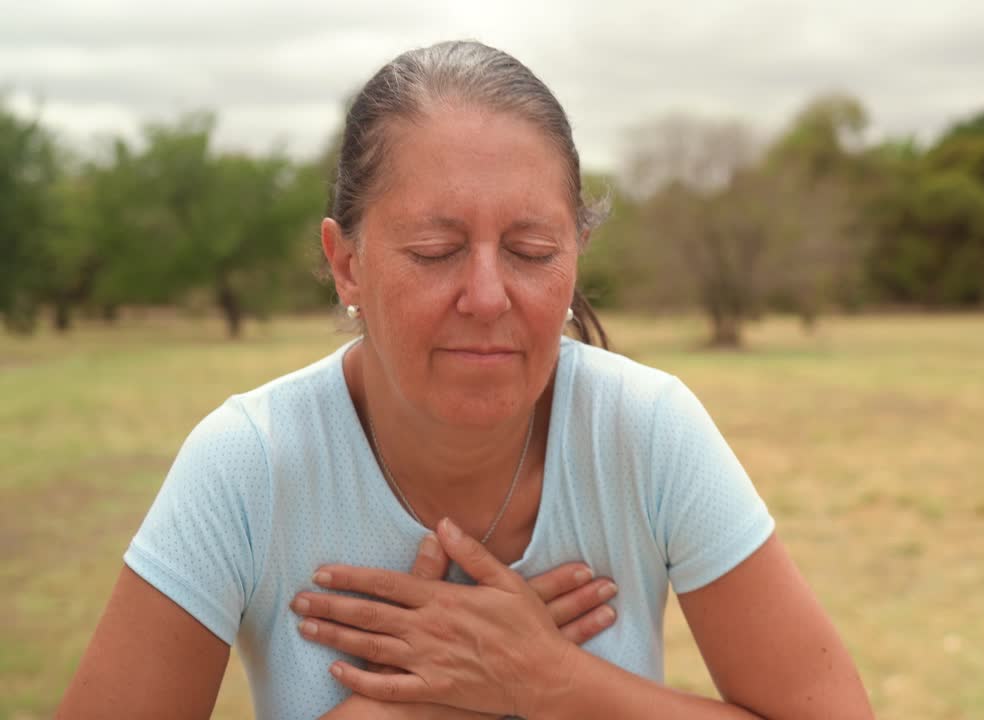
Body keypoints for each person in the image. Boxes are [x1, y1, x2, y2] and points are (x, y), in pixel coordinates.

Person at [56, 41, 875, 719]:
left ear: (576, 257)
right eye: (435, 251)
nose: (488, 297)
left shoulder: (644, 430)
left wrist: (551, 680)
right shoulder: (250, 463)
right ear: (346, 264)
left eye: (531, 252)